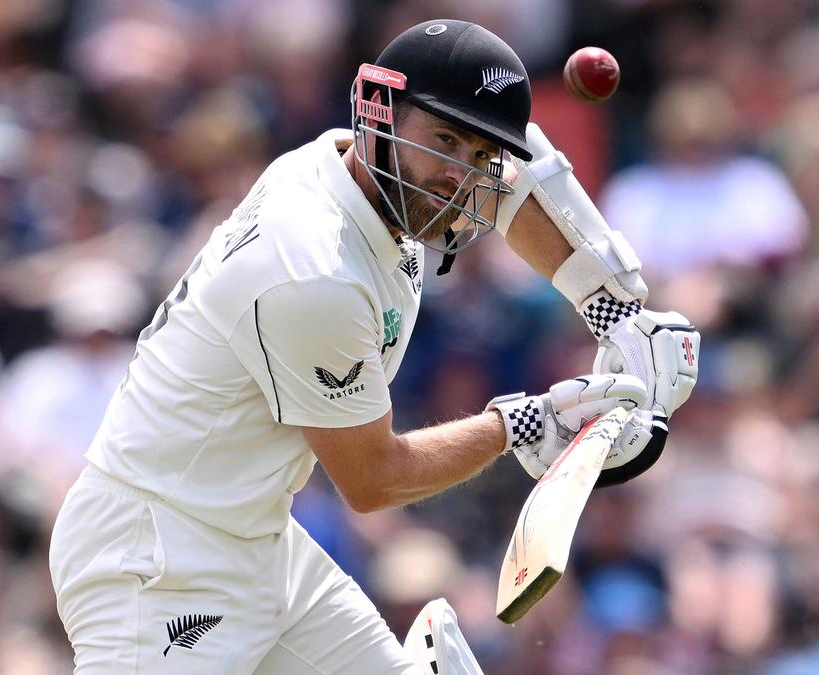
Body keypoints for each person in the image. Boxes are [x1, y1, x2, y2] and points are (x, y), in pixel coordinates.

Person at [49, 19, 700, 674]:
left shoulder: (352, 162)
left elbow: (517, 183)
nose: (458, 176)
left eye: (479, 155)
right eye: (446, 141)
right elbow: (373, 478)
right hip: (156, 560)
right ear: (378, 112)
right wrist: (527, 424)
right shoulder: (314, 271)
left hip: (257, 540)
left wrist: (617, 312)